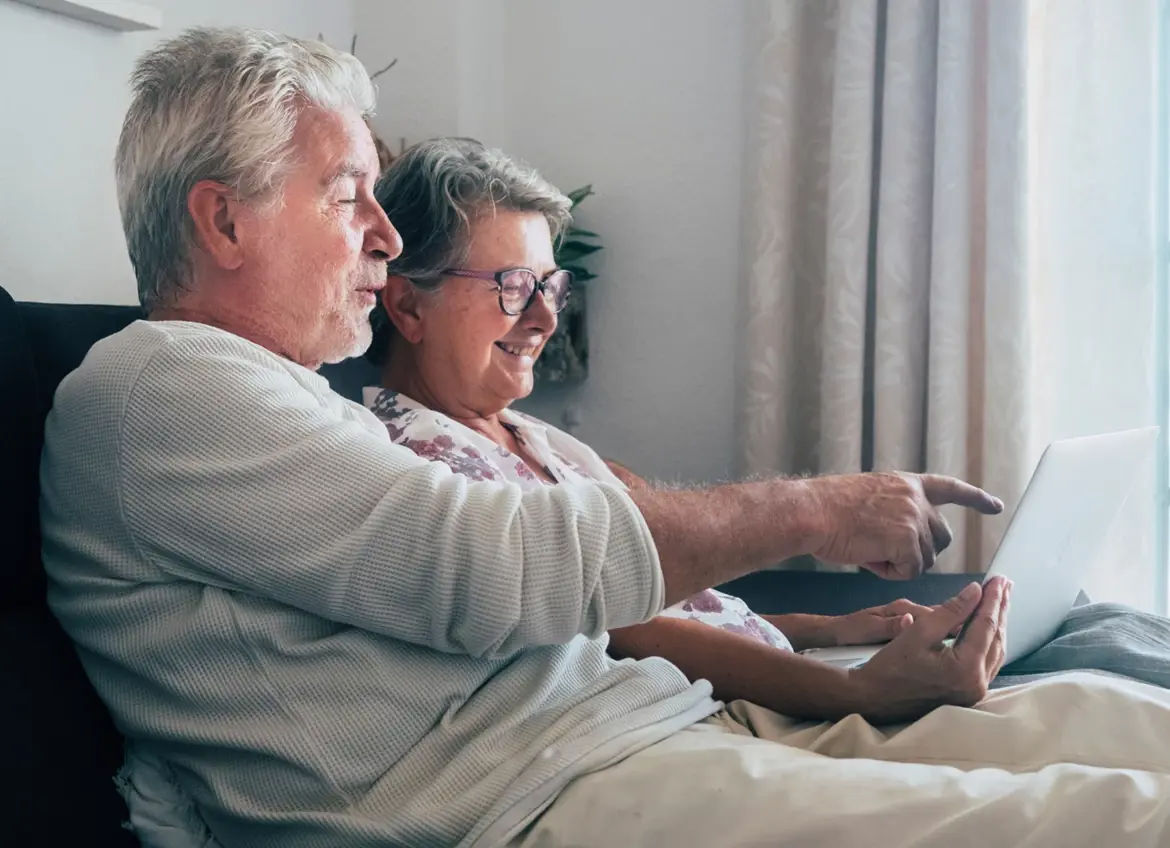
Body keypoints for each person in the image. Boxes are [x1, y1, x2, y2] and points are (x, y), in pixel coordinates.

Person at [38, 26, 1170, 848]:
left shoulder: (289, 402)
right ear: (222, 218)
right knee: (1104, 817)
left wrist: (834, 648)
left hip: (643, 732)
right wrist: (824, 508)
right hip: (528, 800)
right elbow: (497, 566)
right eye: (348, 195)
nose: (384, 239)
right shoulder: (157, 390)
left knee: (1119, 721)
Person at [367, 137, 1170, 714]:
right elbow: (630, 631)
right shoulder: (418, 466)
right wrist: (853, 690)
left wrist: (838, 628)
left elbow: (676, 610)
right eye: (513, 285)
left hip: (784, 670)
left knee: (1107, 631)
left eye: (552, 284)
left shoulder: (535, 438)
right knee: (1115, 742)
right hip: (750, 707)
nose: (544, 316)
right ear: (406, 304)